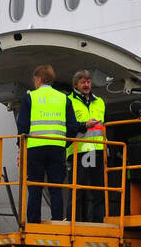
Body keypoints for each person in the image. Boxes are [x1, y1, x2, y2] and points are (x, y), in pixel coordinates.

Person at [15, 64, 81, 223]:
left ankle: (33, 222)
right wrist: (63, 143)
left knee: (35, 187)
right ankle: (57, 221)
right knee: (56, 187)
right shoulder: (63, 98)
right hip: (57, 148)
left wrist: (20, 149)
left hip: (35, 149)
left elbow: (22, 126)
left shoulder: (31, 97)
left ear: (38, 79)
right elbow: (73, 127)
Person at [67, 70, 106, 222]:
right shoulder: (68, 101)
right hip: (80, 151)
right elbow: (69, 126)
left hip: (96, 150)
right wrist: (84, 125)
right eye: (83, 82)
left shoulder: (99, 102)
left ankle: (99, 221)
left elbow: (103, 127)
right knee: (77, 189)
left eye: (88, 81)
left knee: (99, 189)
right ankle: (74, 221)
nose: (86, 84)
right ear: (76, 84)